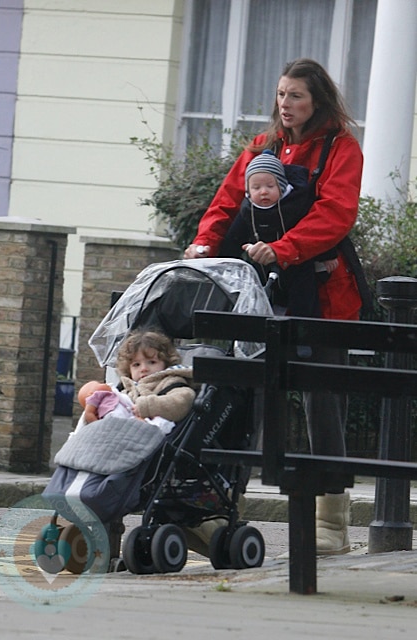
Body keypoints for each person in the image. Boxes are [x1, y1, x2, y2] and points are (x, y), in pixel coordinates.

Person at [184, 58, 365, 555]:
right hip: (262, 294)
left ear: (318, 100)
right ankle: (221, 502)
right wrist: (203, 244)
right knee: (245, 390)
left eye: (297, 97)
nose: (286, 105)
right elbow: (226, 203)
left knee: (321, 399)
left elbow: (336, 213)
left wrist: (284, 250)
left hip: (324, 297)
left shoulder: (341, 148)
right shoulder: (262, 148)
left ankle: (332, 520)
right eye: (282, 95)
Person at [218, 148, 339, 316]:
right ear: (248, 191)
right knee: (259, 303)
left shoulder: (297, 204)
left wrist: (328, 254)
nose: (264, 192)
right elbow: (233, 237)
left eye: (270, 186)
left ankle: (303, 335)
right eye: (256, 187)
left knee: (304, 305)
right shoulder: (248, 210)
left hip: (297, 266)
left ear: (281, 186)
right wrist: (226, 262)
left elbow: (318, 227)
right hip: (261, 266)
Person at [78, 330, 196, 434]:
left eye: (152, 362)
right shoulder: (126, 390)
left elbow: (183, 400)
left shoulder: (170, 381)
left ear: (166, 363)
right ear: (128, 368)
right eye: (136, 364)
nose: (144, 368)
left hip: (154, 440)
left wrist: (147, 406)